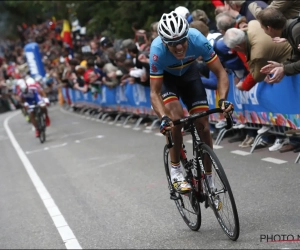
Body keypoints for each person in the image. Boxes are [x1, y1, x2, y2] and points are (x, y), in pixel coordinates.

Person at [149, 11, 233, 193]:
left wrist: (224, 100)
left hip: (190, 75)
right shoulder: (156, 51)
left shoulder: (198, 39)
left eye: (182, 41)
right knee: (176, 120)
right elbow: (154, 92)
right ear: (164, 43)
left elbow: (221, 73)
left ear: (188, 36)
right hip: (168, 80)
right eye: (173, 44)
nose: (179, 47)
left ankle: (209, 179)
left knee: (203, 124)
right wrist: (163, 117)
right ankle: (176, 170)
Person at [256, 8, 300, 84]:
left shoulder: (296, 31)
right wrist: (282, 65)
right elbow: (298, 55)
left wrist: (284, 69)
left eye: (263, 28)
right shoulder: (289, 30)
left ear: (269, 28)